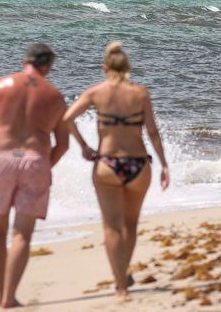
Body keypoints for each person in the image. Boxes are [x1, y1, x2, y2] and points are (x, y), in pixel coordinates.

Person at [63, 41, 170, 299]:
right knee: (130, 225)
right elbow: (153, 132)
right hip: (137, 164)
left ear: (105, 67)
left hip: (107, 165)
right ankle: (124, 271)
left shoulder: (95, 92)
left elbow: (66, 118)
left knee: (111, 227)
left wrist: (84, 147)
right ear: (129, 67)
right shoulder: (141, 93)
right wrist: (164, 164)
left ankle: (121, 286)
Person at [0, 43, 69, 308]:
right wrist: (46, 166)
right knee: (22, 235)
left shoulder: (0, 86)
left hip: (1, 161)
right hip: (35, 162)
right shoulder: (55, 95)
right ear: (48, 66)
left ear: (24, 60)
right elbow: (63, 144)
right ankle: (9, 297)